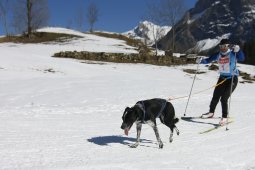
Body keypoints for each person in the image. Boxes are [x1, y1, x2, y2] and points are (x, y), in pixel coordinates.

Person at [196, 38, 245, 125]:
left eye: (224, 46)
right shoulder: (218, 54)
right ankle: (211, 113)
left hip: (232, 79)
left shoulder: (233, 53)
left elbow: (241, 58)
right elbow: (208, 60)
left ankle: (224, 117)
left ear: (228, 46)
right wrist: (200, 61)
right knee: (215, 96)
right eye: (221, 46)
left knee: (224, 98)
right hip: (222, 78)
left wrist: (239, 50)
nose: (222, 48)